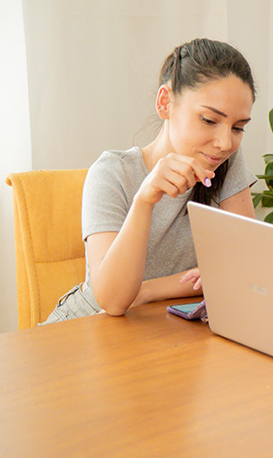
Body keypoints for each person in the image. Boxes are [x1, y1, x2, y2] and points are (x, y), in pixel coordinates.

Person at [42, 38, 257, 323]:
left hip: (162, 322)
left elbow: (245, 266)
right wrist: (144, 200)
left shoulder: (225, 161)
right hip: (88, 325)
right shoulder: (112, 172)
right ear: (165, 103)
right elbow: (113, 301)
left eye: (238, 127)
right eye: (208, 120)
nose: (224, 141)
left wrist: (147, 291)